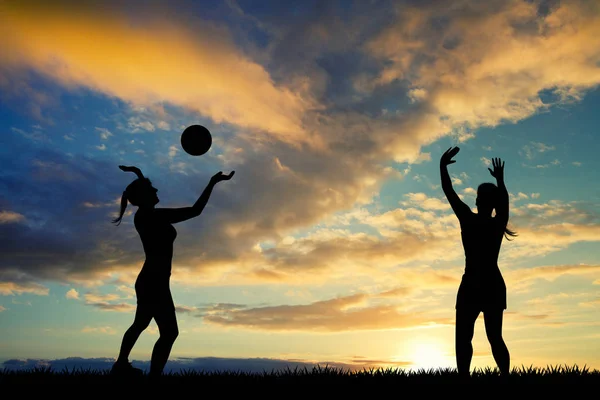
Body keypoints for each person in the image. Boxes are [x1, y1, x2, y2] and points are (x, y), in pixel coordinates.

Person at [110, 165, 234, 378]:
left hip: (153, 279)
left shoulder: (145, 214)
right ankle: (146, 374)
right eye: (153, 189)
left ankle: (121, 365)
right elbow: (195, 210)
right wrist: (212, 183)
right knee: (168, 332)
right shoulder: (152, 217)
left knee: (143, 325)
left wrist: (139, 173)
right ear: (145, 196)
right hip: (153, 281)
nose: (157, 191)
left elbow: (141, 191)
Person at [439, 147, 515, 379]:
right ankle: (500, 377)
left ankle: (468, 378)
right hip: (487, 283)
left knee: (471, 337)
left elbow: (449, 192)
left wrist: (442, 167)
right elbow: (505, 203)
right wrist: (501, 182)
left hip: (475, 283)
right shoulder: (496, 222)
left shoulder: (469, 219)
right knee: (490, 337)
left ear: (478, 201)